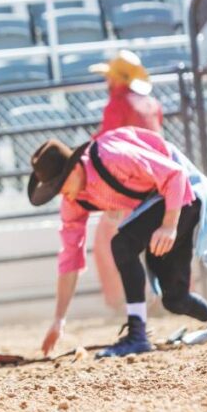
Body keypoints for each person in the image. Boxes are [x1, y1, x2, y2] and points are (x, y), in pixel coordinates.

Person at [29, 127, 207, 358]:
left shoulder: (112, 156)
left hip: (185, 194)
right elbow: (70, 256)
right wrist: (59, 319)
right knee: (175, 298)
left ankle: (137, 336)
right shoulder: (74, 200)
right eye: (54, 190)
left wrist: (169, 226)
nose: (62, 194)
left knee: (123, 244)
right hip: (166, 204)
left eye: (60, 185)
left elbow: (175, 175)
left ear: (75, 167)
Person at [87, 50, 165, 312]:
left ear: (118, 79)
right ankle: (167, 295)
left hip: (130, 187)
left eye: (110, 77)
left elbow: (106, 143)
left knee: (107, 243)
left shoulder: (117, 105)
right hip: (159, 183)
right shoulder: (150, 103)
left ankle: (121, 302)